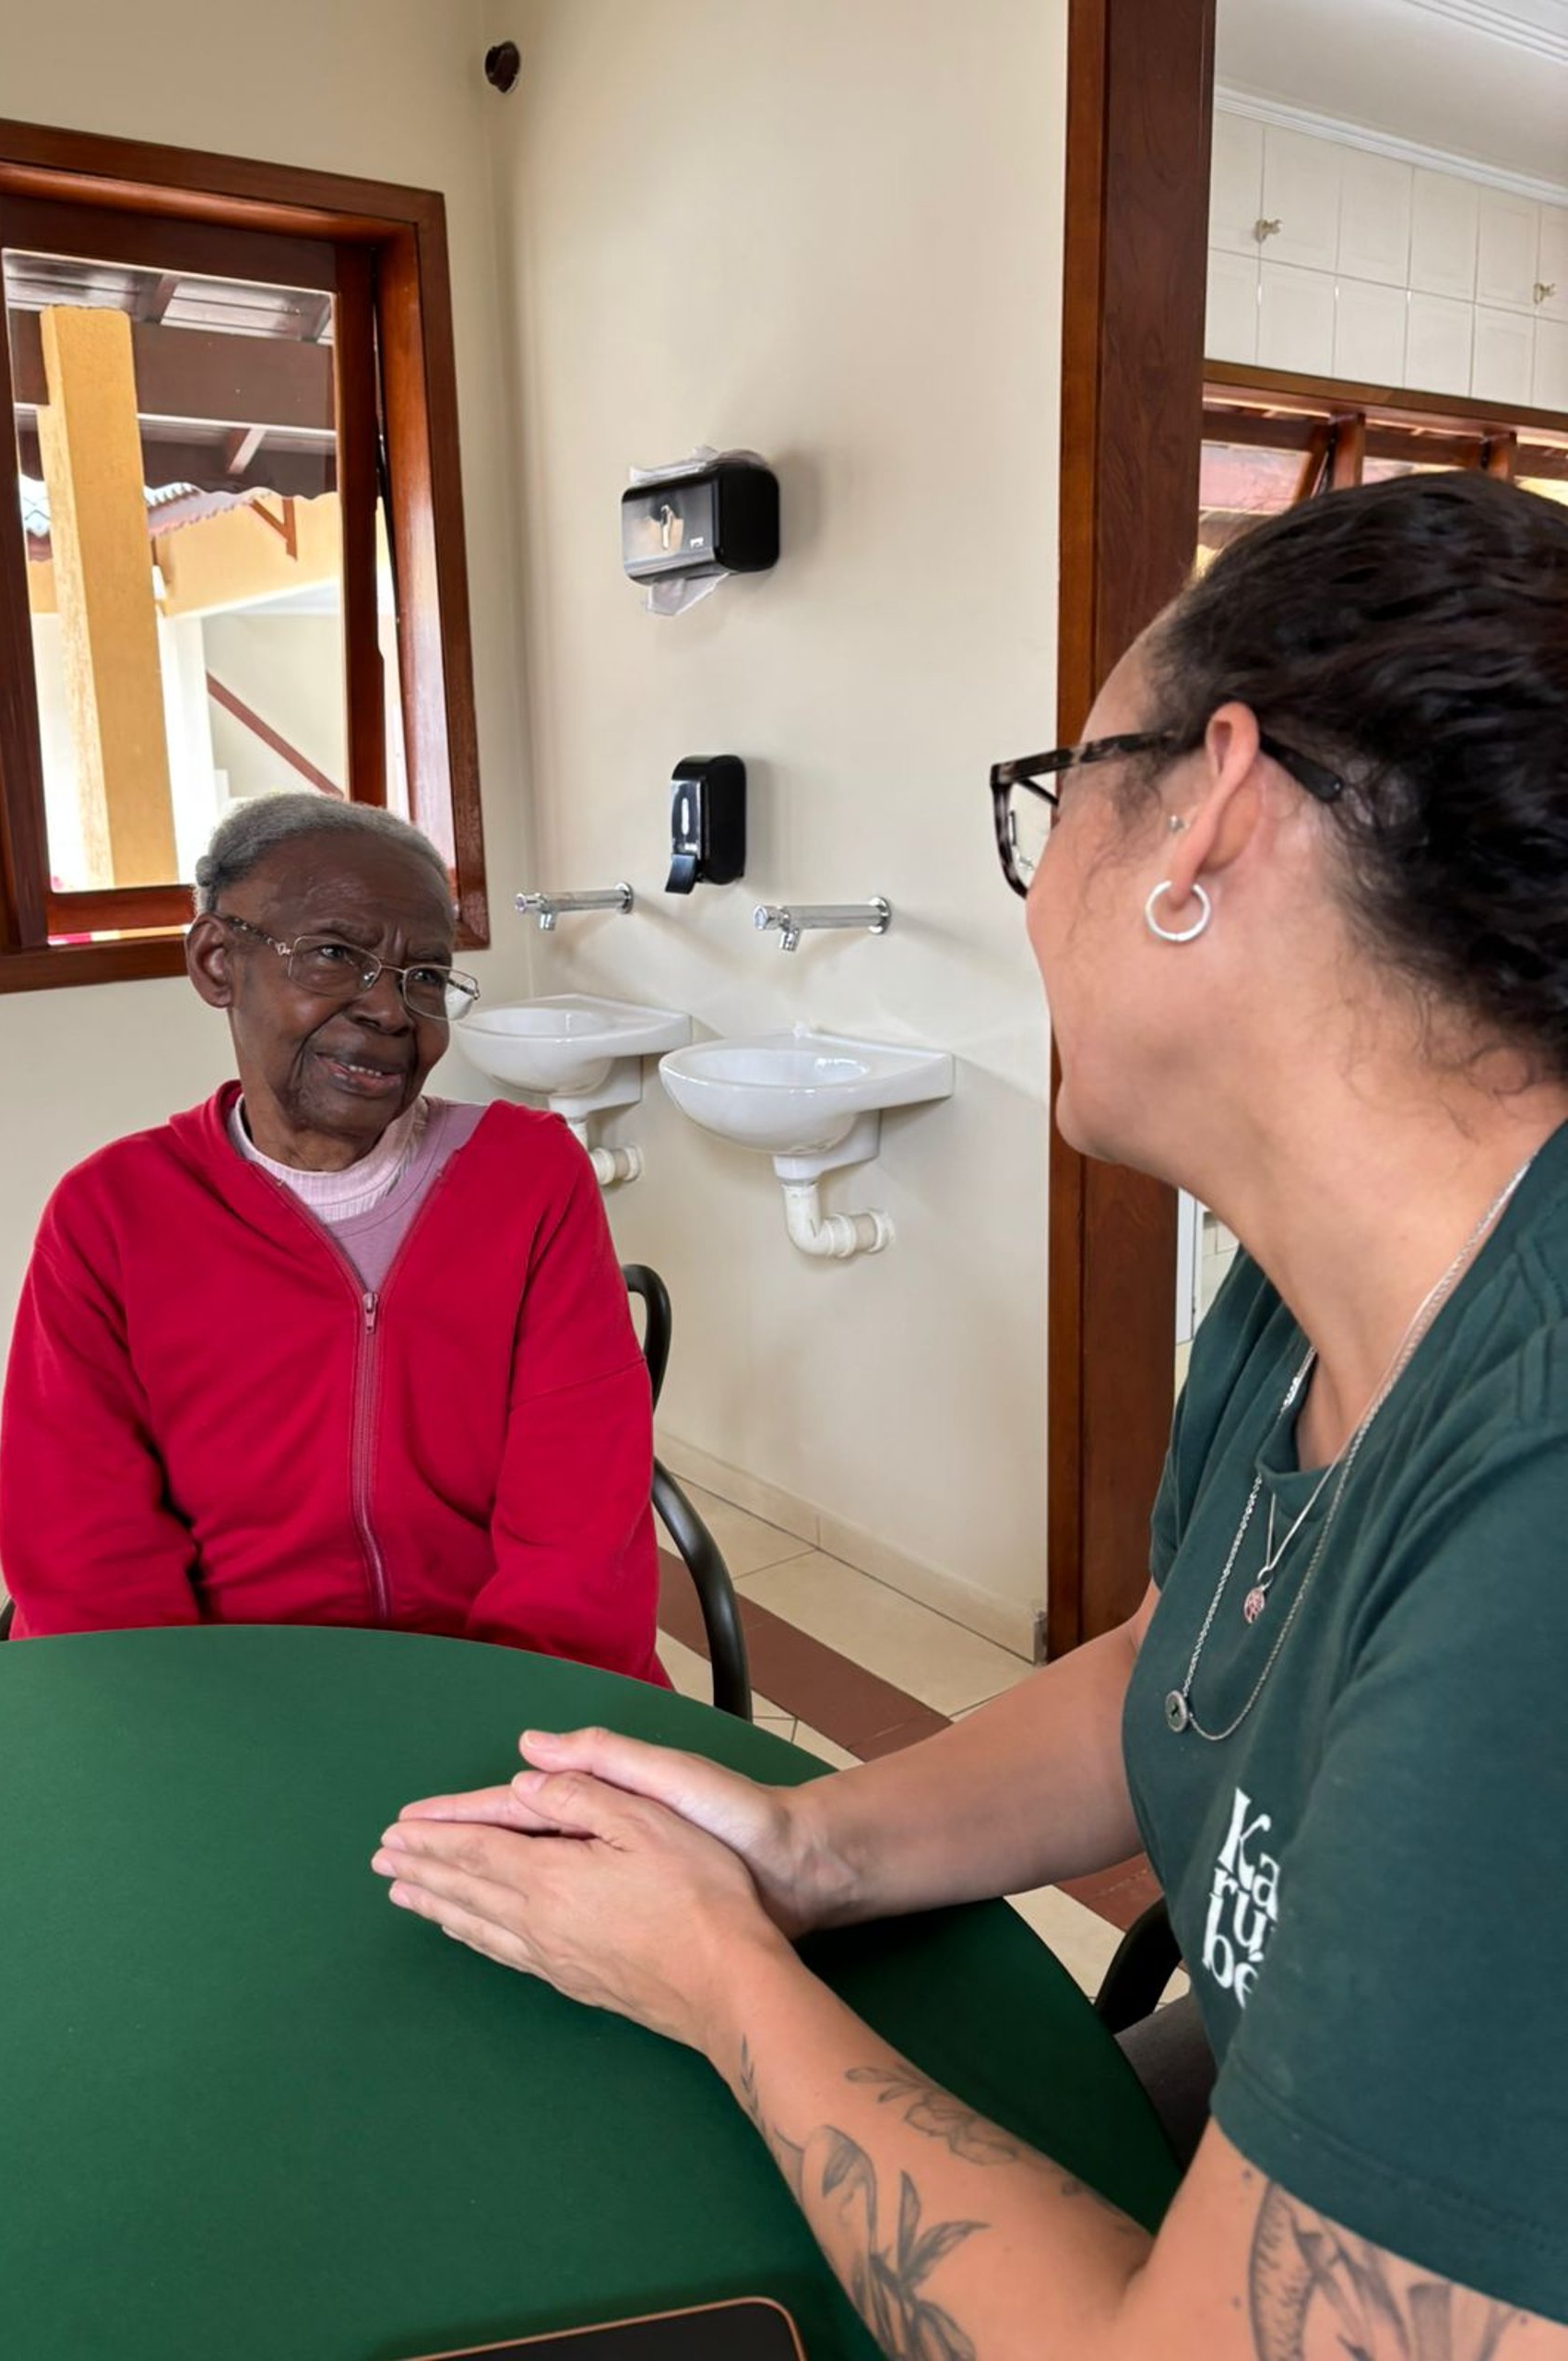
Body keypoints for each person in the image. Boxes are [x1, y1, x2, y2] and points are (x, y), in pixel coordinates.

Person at [372, 473, 1568, 2354]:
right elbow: (1190, 1663)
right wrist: (810, 1844)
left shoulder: (1541, 1498)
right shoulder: (1294, 1296)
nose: (1034, 900)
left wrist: (718, 1976)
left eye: (1055, 792)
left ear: (1209, 812)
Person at [0, 794, 664, 1685]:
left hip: (488, 1677)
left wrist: (513, 1724)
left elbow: (580, 1529)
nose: (390, 1010)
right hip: (229, 1686)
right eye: (334, 956)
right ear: (215, 961)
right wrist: (171, 1728)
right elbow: (84, 1544)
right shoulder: (111, 1214)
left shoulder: (530, 1178)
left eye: (425, 975)